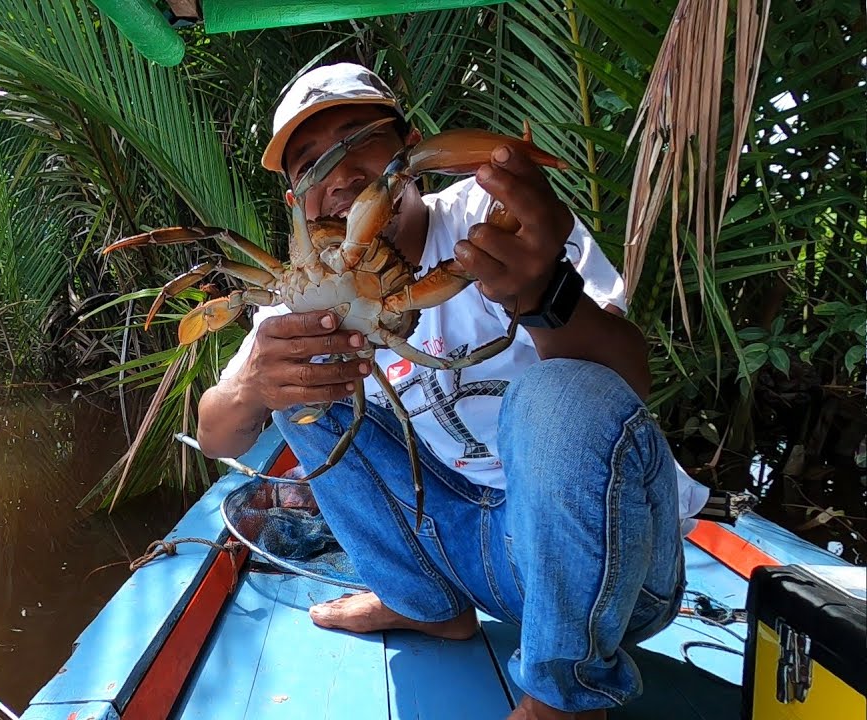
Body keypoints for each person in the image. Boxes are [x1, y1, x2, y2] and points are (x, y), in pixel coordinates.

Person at [195, 63, 710, 720]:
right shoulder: (301, 295)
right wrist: (254, 383)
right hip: (462, 547)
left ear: (410, 153)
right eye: (312, 164)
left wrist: (545, 296)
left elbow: (628, 383)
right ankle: (425, 606)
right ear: (297, 201)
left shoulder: (493, 221)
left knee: (560, 393)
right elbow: (216, 435)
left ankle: (565, 697)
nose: (342, 173)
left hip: (608, 574)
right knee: (296, 383)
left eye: (360, 142)